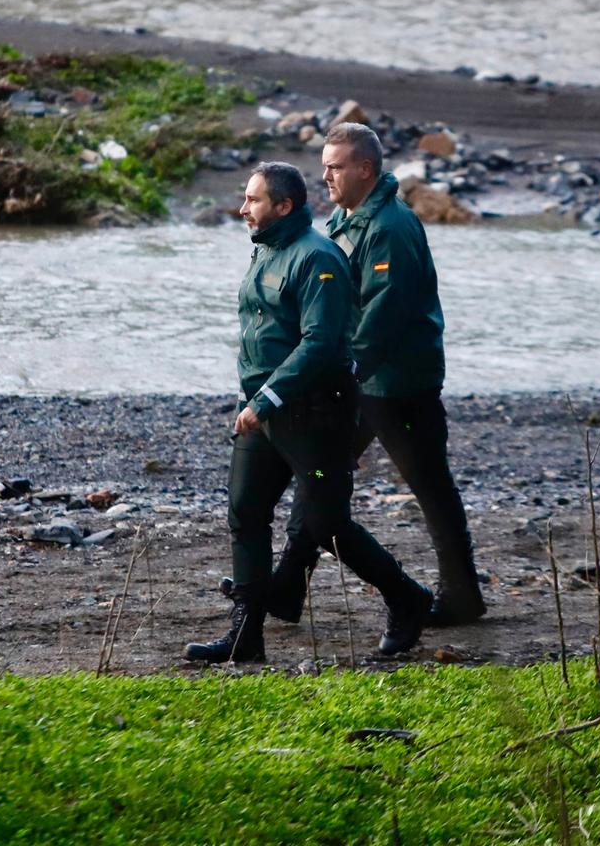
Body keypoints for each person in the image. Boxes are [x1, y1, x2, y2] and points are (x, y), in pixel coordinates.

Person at [186, 162, 434, 663]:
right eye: (245, 199)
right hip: (261, 413)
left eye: (253, 201)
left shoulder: (318, 259)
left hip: (317, 418)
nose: (242, 209)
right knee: (246, 512)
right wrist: (251, 399)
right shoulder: (264, 252)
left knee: (327, 525)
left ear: (285, 206)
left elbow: (320, 343)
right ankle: (244, 637)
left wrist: (268, 398)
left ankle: (408, 599)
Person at [261, 123, 488, 626]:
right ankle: (286, 588)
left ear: (365, 169)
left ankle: (461, 597)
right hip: (360, 381)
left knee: (429, 486)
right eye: (323, 166)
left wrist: (337, 373)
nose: (324, 176)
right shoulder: (349, 217)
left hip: (397, 383)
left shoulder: (389, 227)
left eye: (335, 167)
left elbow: (383, 316)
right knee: (321, 475)